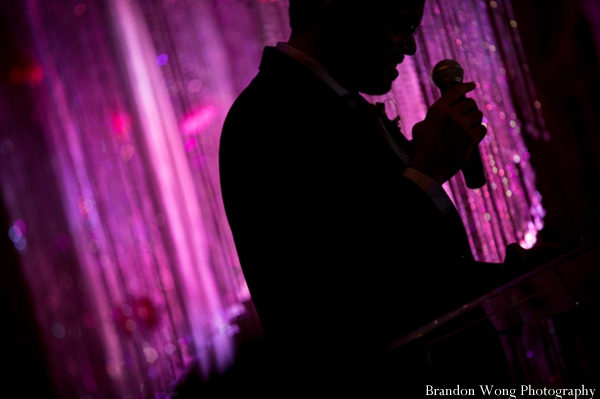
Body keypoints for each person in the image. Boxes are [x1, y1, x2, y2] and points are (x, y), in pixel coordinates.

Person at [219, 0, 518, 391]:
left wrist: (512, 281)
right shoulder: (266, 116)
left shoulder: (342, 104)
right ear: (338, 9)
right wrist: (425, 171)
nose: (410, 48)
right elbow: (338, 292)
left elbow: (416, 278)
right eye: (401, 25)